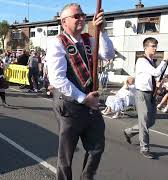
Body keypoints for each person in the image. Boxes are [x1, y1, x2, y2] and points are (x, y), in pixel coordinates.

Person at [45, 3, 115, 180]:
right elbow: (57, 79)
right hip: (70, 105)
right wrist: (84, 99)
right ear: (64, 22)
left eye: (83, 15)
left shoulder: (89, 39)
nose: (82, 18)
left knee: (97, 147)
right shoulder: (57, 43)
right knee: (66, 156)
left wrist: (103, 31)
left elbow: (108, 55)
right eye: (77, 16)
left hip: (90, 103)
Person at [123, 37, 168, 159]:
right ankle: (144, 148)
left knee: (151, 121)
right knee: (144, 122)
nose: (155, 48)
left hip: (151, 94)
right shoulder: (142, 60)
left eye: (156, 46)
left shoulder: (151, 61)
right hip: (141, 94)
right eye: (153, 46)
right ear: (145, 47)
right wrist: (165, 60)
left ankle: (129, 131)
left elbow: (155, 75)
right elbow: (156, 72)